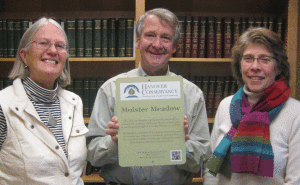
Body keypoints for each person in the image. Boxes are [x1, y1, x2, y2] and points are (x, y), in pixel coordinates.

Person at [86, 8, 211, 184]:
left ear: (174, 47)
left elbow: (202, 160)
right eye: (150, 35)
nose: (157, 44)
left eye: (166, 38)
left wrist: (180, 144)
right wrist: (115, 142)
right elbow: (92, 155)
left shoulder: (193, 94)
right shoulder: (110, 90)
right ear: (137, 41)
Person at [204, 27, 300, 184]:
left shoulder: (296, 113)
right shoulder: (225, 106)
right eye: (248, 58)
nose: (255, 66)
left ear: (279, 68)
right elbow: (211, 172)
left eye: (265, 59)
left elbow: (296, 180)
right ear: (240, 65)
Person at [0, 17, 88, 184]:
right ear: (24, 55)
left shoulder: (75, 102)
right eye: (43, 43)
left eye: (60, 45)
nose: (53, 51)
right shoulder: (3, 106)